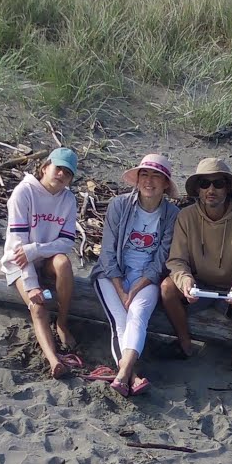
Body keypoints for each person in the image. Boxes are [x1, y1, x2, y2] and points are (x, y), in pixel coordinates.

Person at [161, 157, 232, 380]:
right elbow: (177, 260)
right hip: (198, 286)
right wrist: (184, 280)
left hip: (229, 289)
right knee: (167, 287)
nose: (211, 189)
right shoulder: (186, 217)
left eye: (218, 183)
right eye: (205, 184)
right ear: (197, 189)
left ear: (227, 187)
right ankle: (185, 344)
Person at [91, 153, 181, 397]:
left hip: (147, 278)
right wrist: (121, 289)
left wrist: (137, 287)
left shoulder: (172, 215)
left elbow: (162, 259)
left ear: (165, 183)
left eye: (156, 176)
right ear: (138, 178)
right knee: (120, 321)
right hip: (112, 276)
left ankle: (121, 375)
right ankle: (132, 376)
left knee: (138, 315)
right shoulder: (119, 205)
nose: (149, 181)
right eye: (145, 174)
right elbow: (107, 253)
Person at [1, 147, 81, 379]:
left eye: (68, 173)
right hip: (18, 262)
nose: (62, 175)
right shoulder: (23, 193)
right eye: (58, 169)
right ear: (45, 167)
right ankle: (54, 360)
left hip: (43, 257)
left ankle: (63, 323)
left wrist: (36, 249)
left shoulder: (68, 199)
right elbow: (18, 247)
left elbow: (66, 242)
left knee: (63, 263)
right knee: (37, 307)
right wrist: (31, 284)